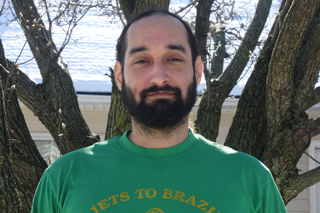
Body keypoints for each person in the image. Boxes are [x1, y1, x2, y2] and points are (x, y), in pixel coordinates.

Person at [31, 10, 287, 213]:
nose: (159, 77)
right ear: (119, 76)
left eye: (174, 59)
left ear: (197, 71)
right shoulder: (64, 178)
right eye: (142, 61)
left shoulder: (250, 179)